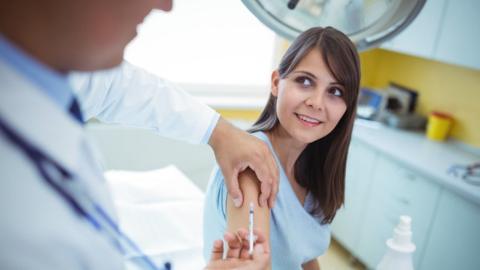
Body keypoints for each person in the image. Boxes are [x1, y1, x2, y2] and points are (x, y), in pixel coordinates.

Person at [0, 0, 276, 269]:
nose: (165, 5)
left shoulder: (55, 70)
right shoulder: (17, 222)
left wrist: (218, 131)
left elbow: (117, 87)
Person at [203, 26, 361, 269]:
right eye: (305, 81)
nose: (316, 103)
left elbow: (307, 257)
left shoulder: (314, 166)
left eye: (335, 91)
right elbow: (251, 266)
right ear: (276, 83)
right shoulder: (250, 166)